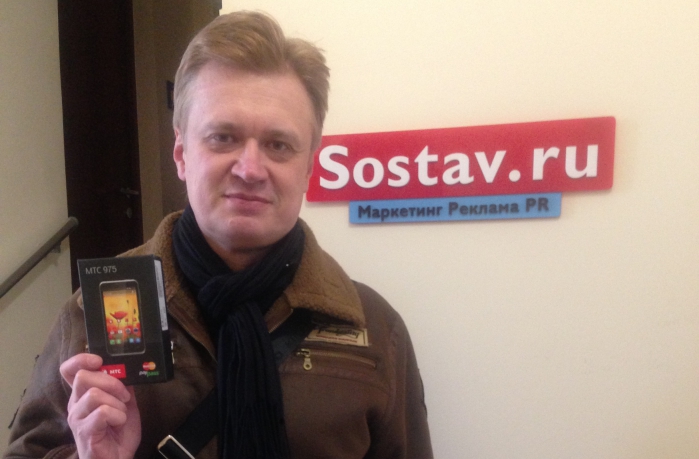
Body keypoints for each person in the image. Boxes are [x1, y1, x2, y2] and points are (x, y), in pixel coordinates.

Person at [4, 10, 432, 459]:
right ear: (181, 153)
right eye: (223, 138)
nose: (250, 169)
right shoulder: (94, 313)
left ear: (308, 166)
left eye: (278, 145)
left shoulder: (374, 328)